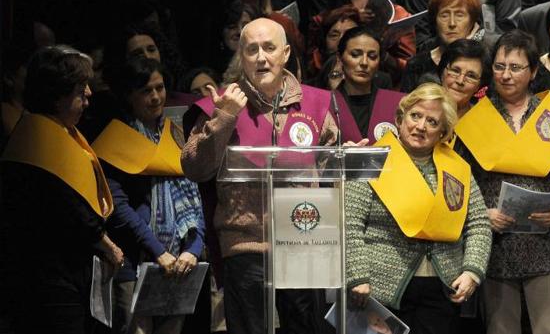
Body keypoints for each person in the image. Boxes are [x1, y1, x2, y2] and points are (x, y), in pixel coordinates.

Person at [181, 18, 337, 334]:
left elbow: (332, 174)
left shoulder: (316, 103)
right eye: (251, 50)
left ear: (286, 53)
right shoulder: (222, 102)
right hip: (246, 245)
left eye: (269, 48)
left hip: (302, 238)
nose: (261, 58)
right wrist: (224, 117)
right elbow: (195, 168)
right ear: (241, 55)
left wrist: (346, 155)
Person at [453, 30, 550, 334]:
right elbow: (458, 182)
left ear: (534, 72)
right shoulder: (476, 119)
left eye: (515, 67)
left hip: (548, 247)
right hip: (496, 247)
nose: (505, 75)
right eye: (500, 67)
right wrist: (480, 215)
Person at [346, 82, 492, 334]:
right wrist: (358, 275)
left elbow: (478, 224)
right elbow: (349, 222)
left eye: (432, 122)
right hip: (380, 288)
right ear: (400, 119)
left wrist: (472, 272)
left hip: (442, 289)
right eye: (415, 116)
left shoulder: (457, 168)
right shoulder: (370, 159)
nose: (421, 126)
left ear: (443, 131)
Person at [1, 45, 124, 334]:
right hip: (48, 279)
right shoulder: (37, 140)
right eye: (81, 89)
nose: (90, 94)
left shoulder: (64, 132)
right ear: (57, 95)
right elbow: (68, 207)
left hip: (74, 272)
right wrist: (108, 244)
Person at [91, 57, 205, 334]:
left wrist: (194, 248)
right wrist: (159, 251)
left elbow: (195, 197)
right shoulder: (116, 139)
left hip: (179, 261)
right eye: (146, 90)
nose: (156, 97)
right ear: (129, 95)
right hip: (137, 258)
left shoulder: (176, 133)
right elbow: (118, 207)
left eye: (160, 88)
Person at [323, 0, 417, 85]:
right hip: (335, 86)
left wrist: (383, 54)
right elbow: (316, 64)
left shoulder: (398, 15)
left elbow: (409, 69)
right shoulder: (331, 15)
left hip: (386, 90)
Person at [401, 0, 487, 93]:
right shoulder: (417, 64)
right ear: (435, 21)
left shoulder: (484, 63)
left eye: (459, 15)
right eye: (444, 15)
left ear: (473, 22)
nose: (452, 23)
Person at [332, 27, 404, 145]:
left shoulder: (397, 104)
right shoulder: (326, 104)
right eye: (355, 55)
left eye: (372, 56)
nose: (364, 62)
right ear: (340, 59)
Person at [439, 38, 491, 118]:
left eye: (471, 76)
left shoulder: (484, 122)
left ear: (479, 86)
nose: (460, 81)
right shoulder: (419, 107)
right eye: (455, 71)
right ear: (442, 72)